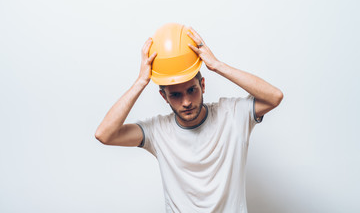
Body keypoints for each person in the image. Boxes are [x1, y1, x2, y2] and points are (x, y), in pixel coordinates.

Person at [95, 27, 283, 213]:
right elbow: (105, 134)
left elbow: (274, 97)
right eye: (176, 95)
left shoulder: (233, 115)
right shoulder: (157, 131)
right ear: (164, 96)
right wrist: (141, 81)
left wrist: (217, 65)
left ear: (202, 85)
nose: (186, 102)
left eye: (191, 90)